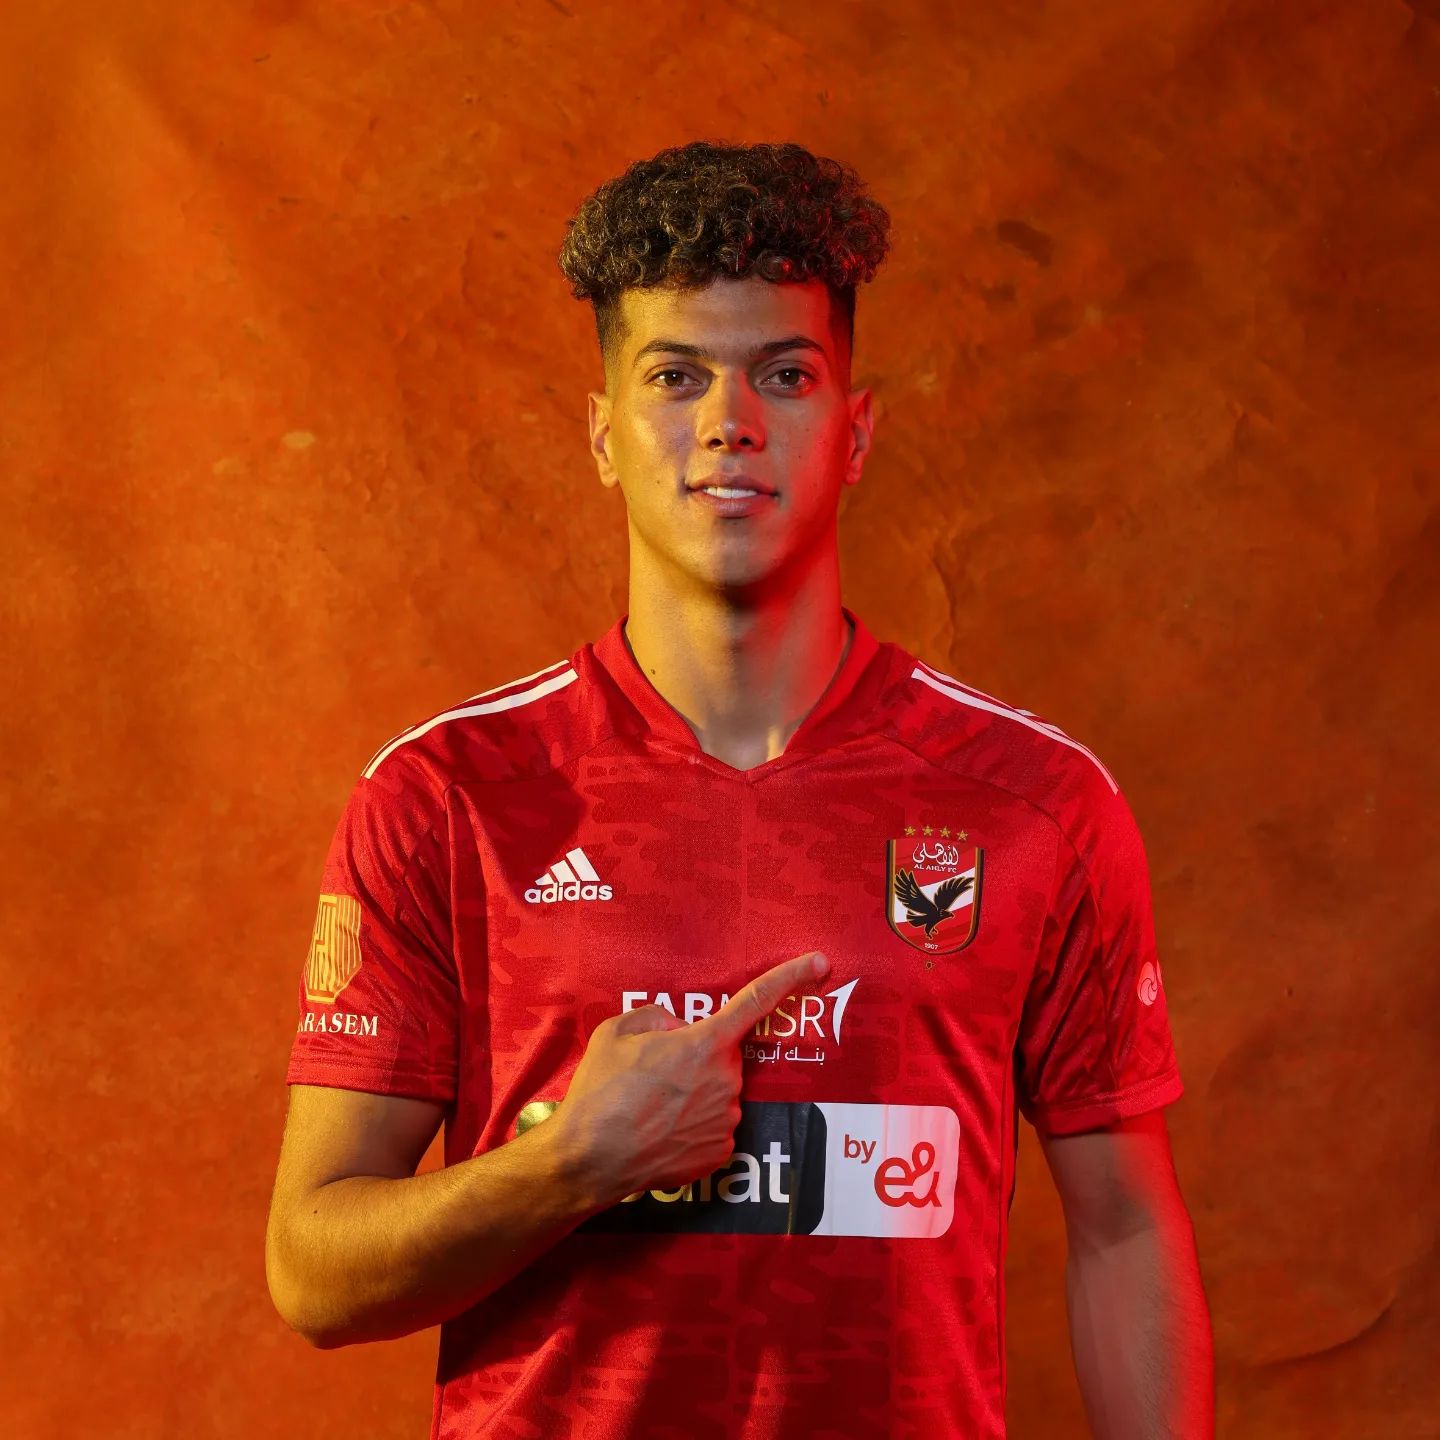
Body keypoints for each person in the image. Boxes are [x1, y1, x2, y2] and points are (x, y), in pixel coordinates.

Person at [266, 139, 1214, 1439]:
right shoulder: (448, 795)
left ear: (855, 431)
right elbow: (313, 1274)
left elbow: (1123, 1227)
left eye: (784, 373)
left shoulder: (1033, 801)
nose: (730, 421)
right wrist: (572, 1165)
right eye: (675, 375)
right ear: (603, 434)